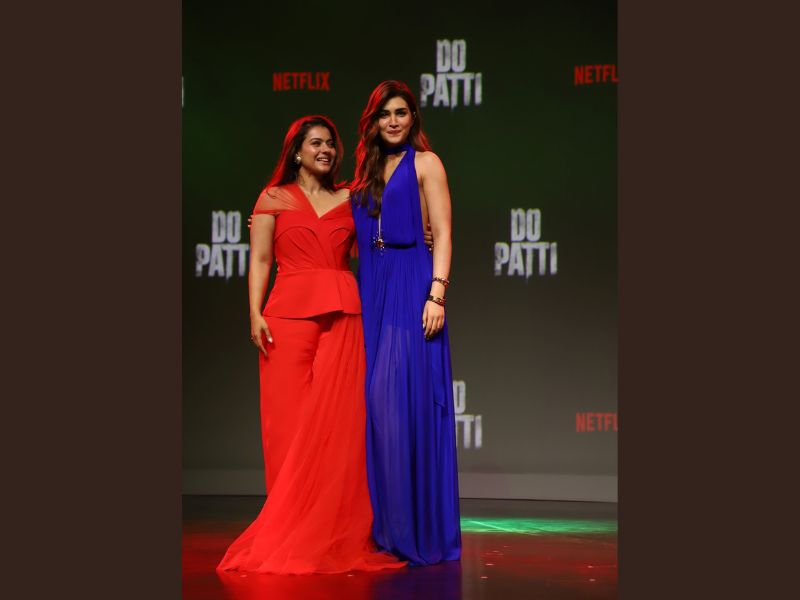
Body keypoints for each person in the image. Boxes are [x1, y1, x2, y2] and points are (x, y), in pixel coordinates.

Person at [217, 115, 406, 575]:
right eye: (316, 143)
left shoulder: (351, 198)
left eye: (331, 144)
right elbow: (261, 258)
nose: (326, 150)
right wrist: (254, 311)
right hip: (286, 317)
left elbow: (377, 244)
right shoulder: (273, 198)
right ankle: (288, 528)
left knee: (340, 427)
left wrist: (417, 239)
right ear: (297, 151)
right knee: (287, 426)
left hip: (344, 315)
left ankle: (331, 532)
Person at [350, 81, 462, 566]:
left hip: (411, 284)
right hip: (372, 288)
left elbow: (445, 232)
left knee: (396, 403)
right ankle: (387, 528)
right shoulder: (366, 173)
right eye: (384, 114)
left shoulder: (426, 163)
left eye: (401, 112)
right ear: (373, 122)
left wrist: (437, 293)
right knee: (376, 410)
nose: (393, 121)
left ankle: (412, 530)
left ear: (414, 117)